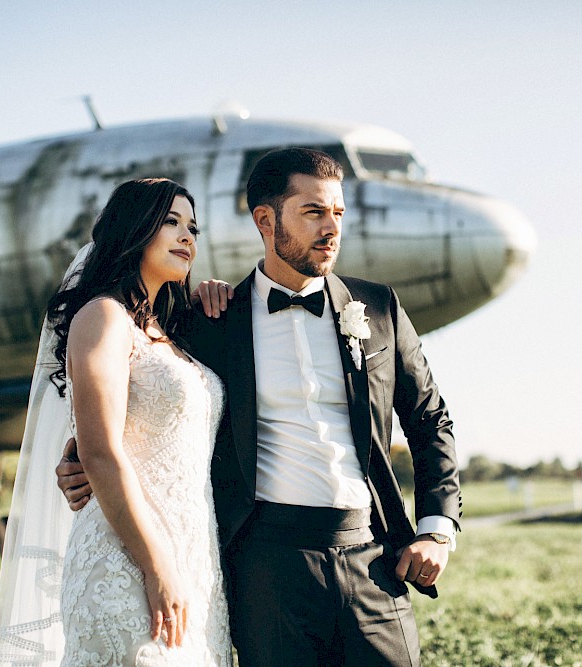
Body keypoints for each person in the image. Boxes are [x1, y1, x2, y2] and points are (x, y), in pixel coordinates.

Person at [59, 149, 462, 665]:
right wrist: (78, 460)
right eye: (314, 212)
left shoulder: (379, 309)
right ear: (266, 220)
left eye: (337, 213)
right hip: (265, 566)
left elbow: (431, 420)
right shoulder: (207, 323)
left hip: (374, 559)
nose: (331, 228)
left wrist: (436, 528)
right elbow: (141, 399)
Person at [0, 178, 231, 666]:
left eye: (193, 228)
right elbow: (99, 451)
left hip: (195, 557)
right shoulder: (102, 317)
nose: (188, 237)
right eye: (171, 222)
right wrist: (156, 567)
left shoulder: (170, 334)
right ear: (134, 229)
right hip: (125, 560)